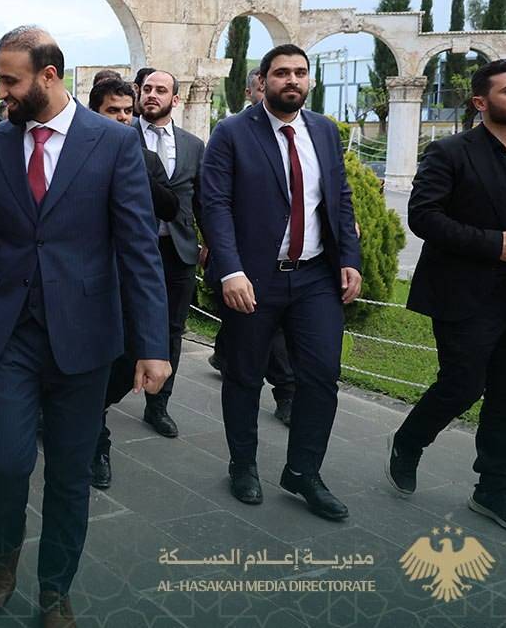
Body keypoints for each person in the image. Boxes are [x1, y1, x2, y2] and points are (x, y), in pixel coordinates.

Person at [0, 26, 170, 627]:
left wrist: (152, 344)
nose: (0, 91)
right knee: (2, 461)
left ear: (49, 76)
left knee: (71, 475)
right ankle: (3, 551)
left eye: (10, 80)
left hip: (84, 339)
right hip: (7, 335)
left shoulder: (112, 142)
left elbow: (138, 249)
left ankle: (55, 588)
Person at [200, 43, 361, 522]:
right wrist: (230, 270)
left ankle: (304, 472)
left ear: (309, 80)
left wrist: (349, 260)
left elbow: (340, 197)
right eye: (282, 72)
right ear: (263, 80)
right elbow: (214, 204)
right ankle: (243, 465)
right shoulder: (232, 132)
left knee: (321, 376)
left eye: (300, 72)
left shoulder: (324, 131)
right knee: (244, 375)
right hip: (253, 277)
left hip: (314, 277)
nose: (292, 80)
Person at [386, 59, 506, 535]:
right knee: (463, 384)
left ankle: (493, 487)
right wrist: (493, 244)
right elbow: (424, 216)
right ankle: (410, 440)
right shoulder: (449, 152)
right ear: (480, 102)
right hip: (465, 296)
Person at [86, 75, 178, 489]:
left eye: (128, 111)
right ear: (95, 113)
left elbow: (170, 207)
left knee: (124, 366)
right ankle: (95, 441)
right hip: (88, 280)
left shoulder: (145, 159)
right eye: (113, 111)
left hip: (128, 279)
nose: (123, 118)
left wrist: (134, 166)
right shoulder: (78, 156)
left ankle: (89, 414)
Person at [207, 68, 296, 426]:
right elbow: (215, 201)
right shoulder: (231, 134)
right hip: (244, 262)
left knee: (269, 333)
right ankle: (286, 390)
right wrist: (223, 258)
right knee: (260, 337)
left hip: (291, 264)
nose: (269, 94)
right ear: (251, 92)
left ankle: (227, 354)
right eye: (262, 87)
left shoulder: (307, 133)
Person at [133, 70, 205, 439]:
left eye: (161, 90)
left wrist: (211, 243)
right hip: (133, 250)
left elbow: (201, 198)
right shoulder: (121, 136)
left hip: (178, 250)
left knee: (173, 330)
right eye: (147, 89)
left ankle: (158, 405)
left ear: (175, 99)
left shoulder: (193, 145)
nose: (152, 95)